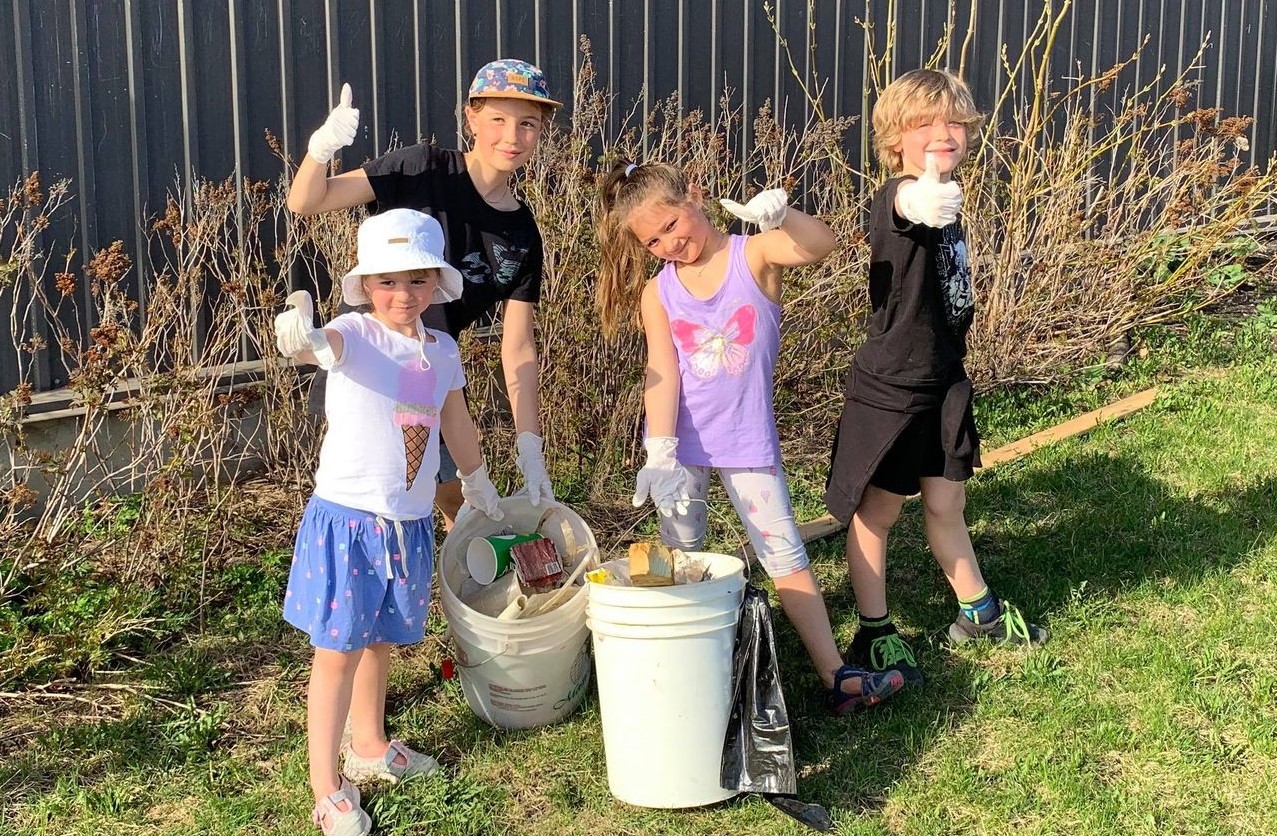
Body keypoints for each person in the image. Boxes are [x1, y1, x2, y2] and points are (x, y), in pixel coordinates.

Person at [596, 161, 906, 715]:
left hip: (746, 443)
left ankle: (835, 675)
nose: (669, 243)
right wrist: (659, 450)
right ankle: (686, 671)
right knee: (682, 555)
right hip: (682, 452)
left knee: (784, 554)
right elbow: (660, 373)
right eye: (653, 240)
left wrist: (784, 216)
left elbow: (820, 245)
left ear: (695, 194)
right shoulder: (657, 293)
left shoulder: (754, 254)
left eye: (671, 224)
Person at [273, 209, 506, 836]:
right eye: (387, 282)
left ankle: (370, 745)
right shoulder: (354, 333)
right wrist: (301, 334)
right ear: (366, 286)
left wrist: (477, 479)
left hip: (406, 522)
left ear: (436, 283)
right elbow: (319, 345)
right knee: (337, 651)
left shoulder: (444, 350)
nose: (403, 295)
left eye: (417, 281)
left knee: (380, 638)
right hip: (349, 521)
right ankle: (327, 788)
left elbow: (454, 420)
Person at [824, 69, 1048, 687]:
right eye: (924, 124)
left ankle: (977, 614)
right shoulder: (901, 196)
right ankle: (874, 631)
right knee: (878, 514)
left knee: (948, 502)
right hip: (894, 390)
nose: (942, 133)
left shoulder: (948, 203)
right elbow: (899, 211)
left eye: (953, 122)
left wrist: (936, 201)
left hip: (945, 381)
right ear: (896, 139)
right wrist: (915, 200)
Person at [287, 58, 559, 528]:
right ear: (471, 116)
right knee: (383, 498)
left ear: (542, 131)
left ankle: (457, 586)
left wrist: (529, 443)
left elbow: (518, 349)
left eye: (527, 124)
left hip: (431, 375)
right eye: (497, 119)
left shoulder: (521, 234)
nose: (511, 137)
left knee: (448, 497)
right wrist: (322, 148)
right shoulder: (421, 167)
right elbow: (306, 201)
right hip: (368, 366)